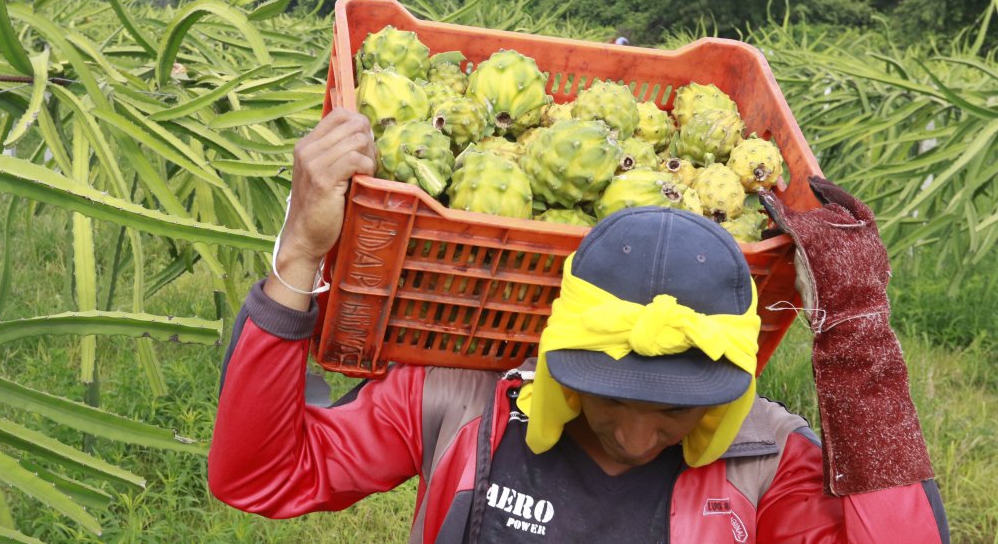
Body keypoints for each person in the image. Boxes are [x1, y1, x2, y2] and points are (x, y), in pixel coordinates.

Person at [209, 108, 949, 542]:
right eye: (610, 396)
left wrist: (857, 338)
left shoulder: (762, 462)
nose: (633, 437)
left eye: (673, 407)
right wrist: (303, 250)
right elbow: (263, 474)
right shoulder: (462, 402)